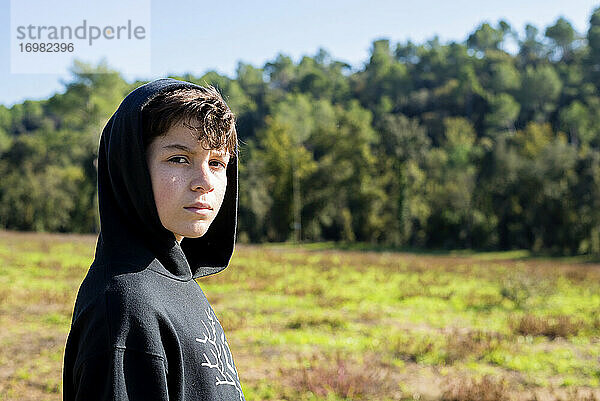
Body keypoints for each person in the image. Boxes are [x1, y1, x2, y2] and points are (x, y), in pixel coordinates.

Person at [62, 78, 245, 401]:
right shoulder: (124, 308)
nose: (205, 182)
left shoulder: (172, 279)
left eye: (216, 163)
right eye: (179, 158)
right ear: (130, 169)